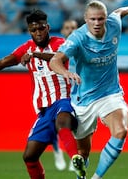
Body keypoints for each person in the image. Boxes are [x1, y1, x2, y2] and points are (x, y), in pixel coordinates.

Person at [0, 9, 78, 179]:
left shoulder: (60, 42)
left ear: (48, 27)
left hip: (64, 99)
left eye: (41, 28)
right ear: (29, 31)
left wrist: (34, 54)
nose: (38, 33)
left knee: (62, 121)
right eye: (33, 30)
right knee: (29, 157)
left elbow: (58, 57)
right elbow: (0, 63)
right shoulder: (26, 48)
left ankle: (76, 160)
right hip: (44, 108)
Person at [49, 0, 128, 179]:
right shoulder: (77, 38)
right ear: (85, 19)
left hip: (110, 93)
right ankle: (81, 174)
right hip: (84, 99)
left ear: (105, 18)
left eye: (100, 19)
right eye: (93, 19)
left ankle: (96, 177)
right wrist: (66, 72)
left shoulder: (114, 24)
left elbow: (119, 12)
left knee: (121, 131)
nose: (97, 23)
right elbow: (55, 60)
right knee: (83, 152)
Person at [51, 18, 78, 171]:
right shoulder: (57, 50)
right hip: (60, 94)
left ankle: (75, 157)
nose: (70, 31)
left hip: (78, 94)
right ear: (62, 31)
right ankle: (57, 151)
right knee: (54, 126)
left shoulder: (82, 47)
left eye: (74, 28)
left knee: (77, 128)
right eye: (67, 28)